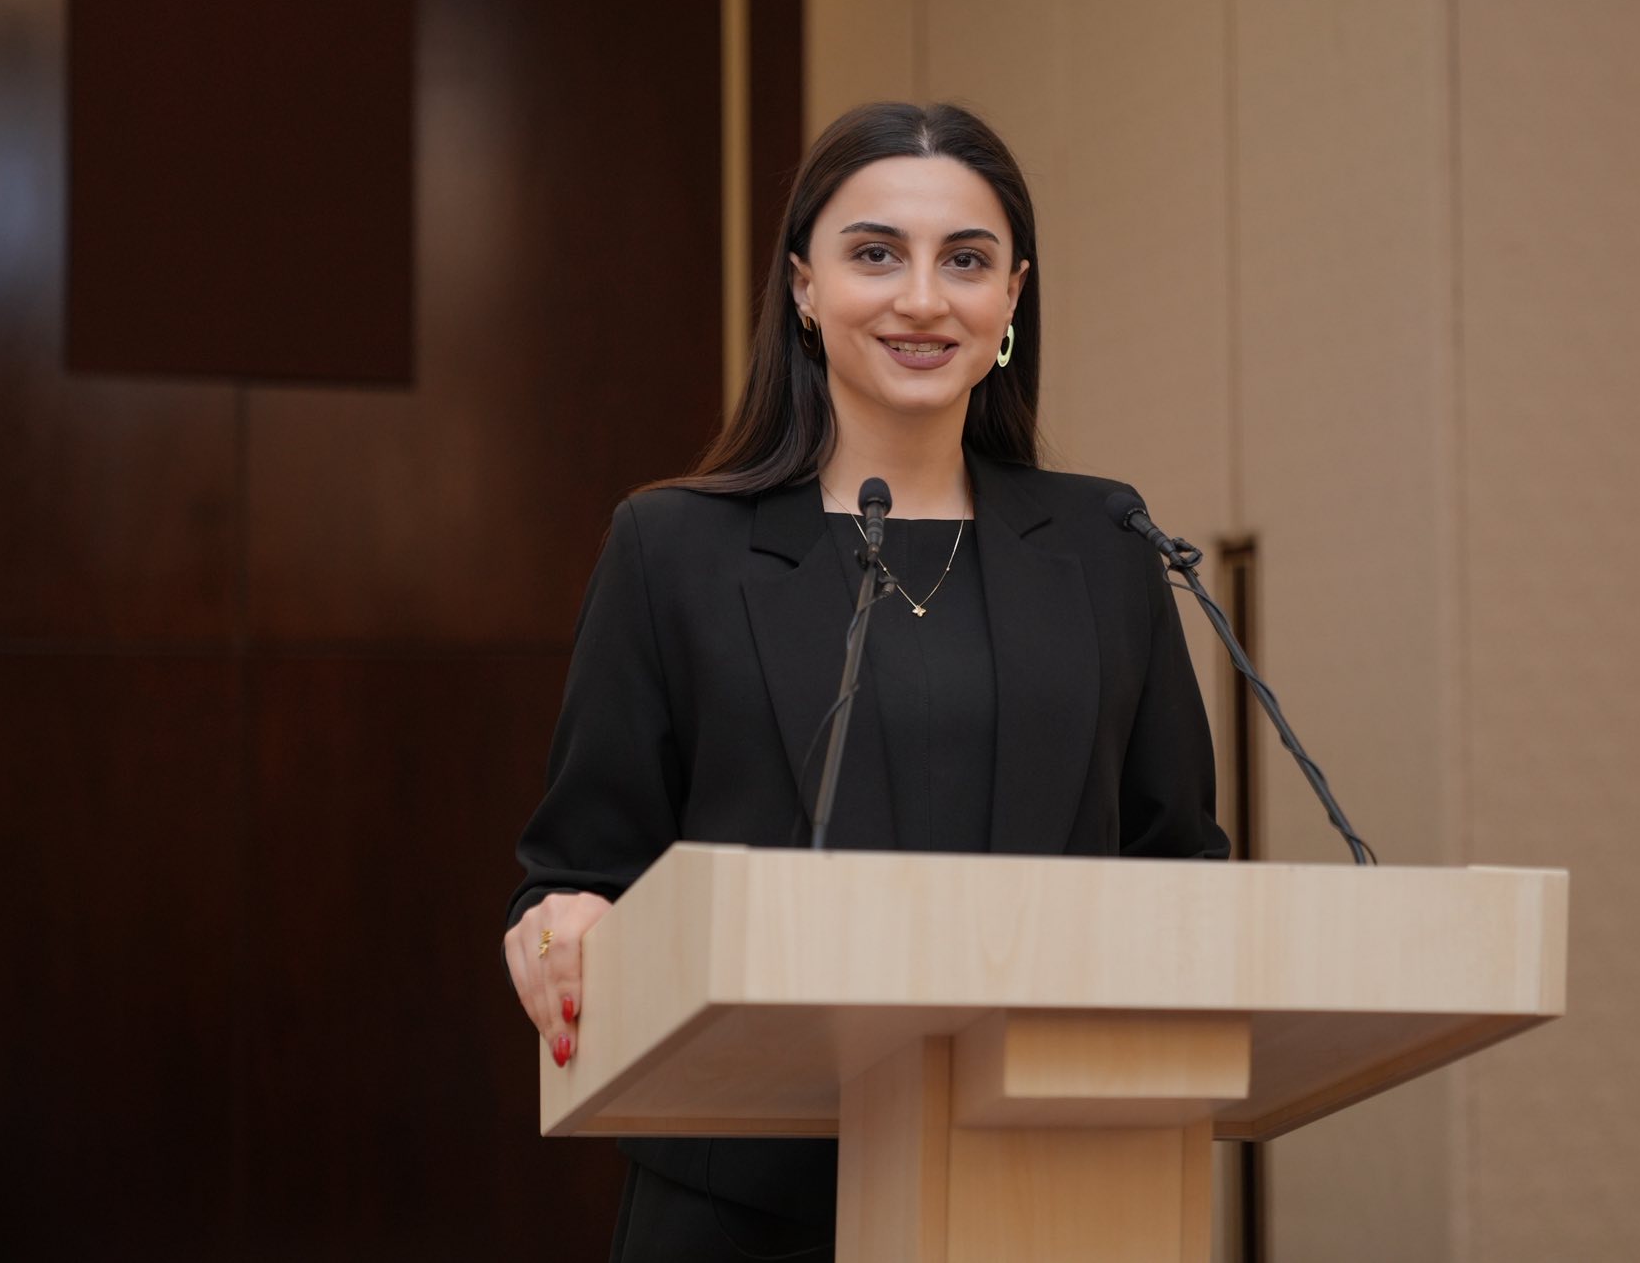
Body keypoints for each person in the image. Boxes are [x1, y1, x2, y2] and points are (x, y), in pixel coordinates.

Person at [502, 100, 1230, 1260]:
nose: (923, 298)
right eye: (876, 253)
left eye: (966, 261)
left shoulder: (1105, 545)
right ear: (802, 286)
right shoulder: (672, 549)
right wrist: (562, 925)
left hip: (1053, 1188)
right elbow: (581, 870)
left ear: (1011, 298)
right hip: (741, 1208)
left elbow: (1179, 872)